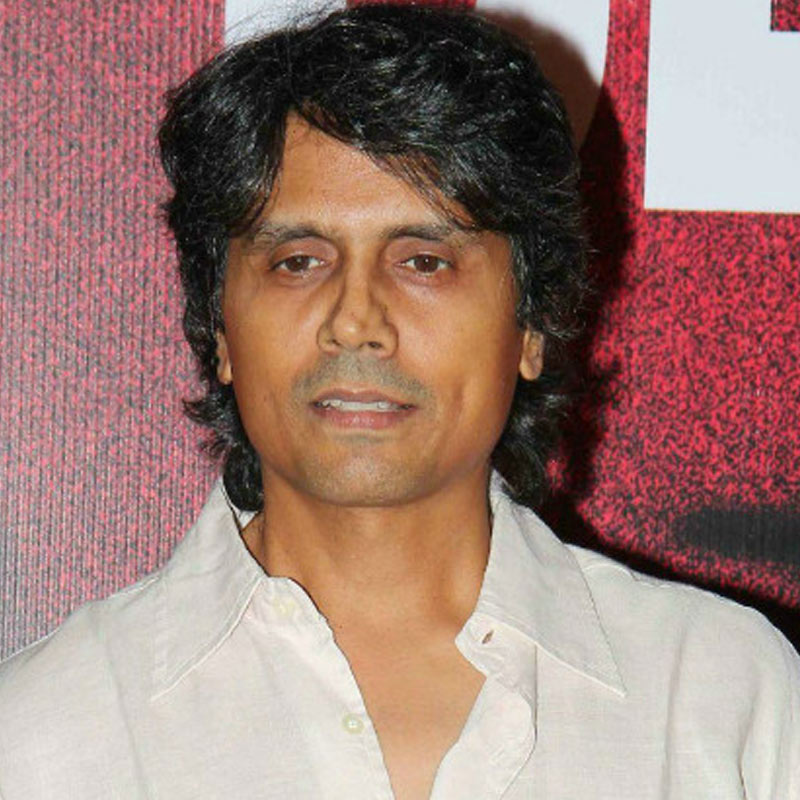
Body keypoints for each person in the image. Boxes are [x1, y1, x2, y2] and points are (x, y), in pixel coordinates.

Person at [0, 5, 797, 799]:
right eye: (298, 261)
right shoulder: (45, 732)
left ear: (531, 325)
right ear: (220, 328)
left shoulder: (723, 702)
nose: (356, 321)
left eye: (423, 261)